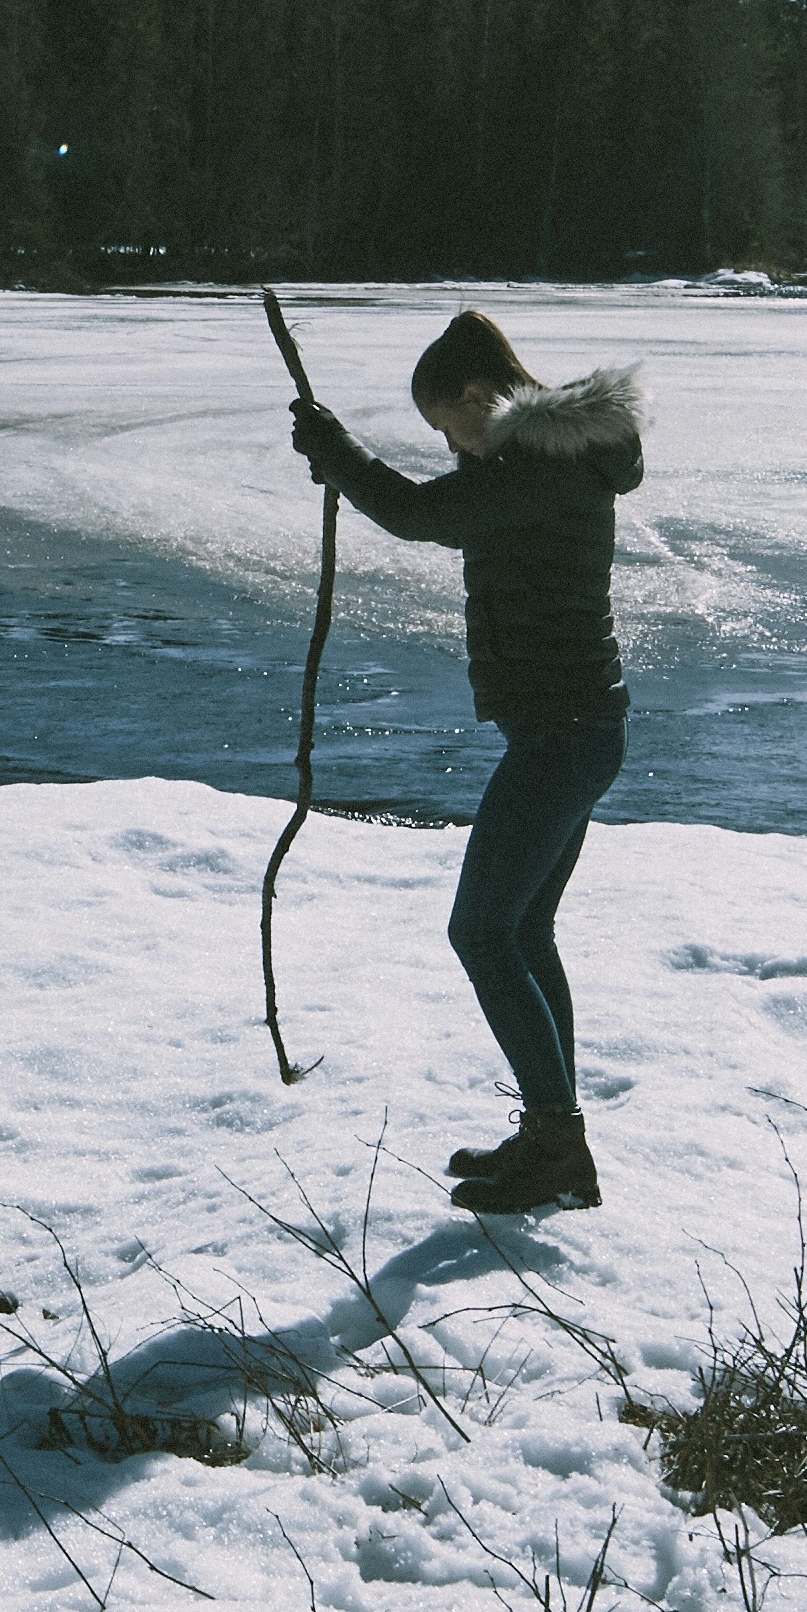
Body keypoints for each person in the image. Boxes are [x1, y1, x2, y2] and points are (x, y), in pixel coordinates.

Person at [289, 310, 644, 1212]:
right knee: (522, 931)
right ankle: (551, 1135)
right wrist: (344, 459)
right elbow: (444, 506)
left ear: (477, 398)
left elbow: (416, 515)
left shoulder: (538, 468)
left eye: (445, 426)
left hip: (564, 736)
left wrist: (336, 453)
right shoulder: (537, 462)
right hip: (572, 730)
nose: (448, 446)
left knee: (482, 932)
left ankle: (559, 1144)